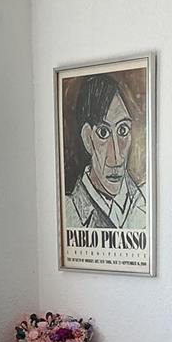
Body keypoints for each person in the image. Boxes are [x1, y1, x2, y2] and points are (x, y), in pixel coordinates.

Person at [65, 74, 146, 230]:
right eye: (103, 133)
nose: (116, 157)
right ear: (88, 138)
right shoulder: (70, 212)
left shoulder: (144, 201)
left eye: (123, 130)